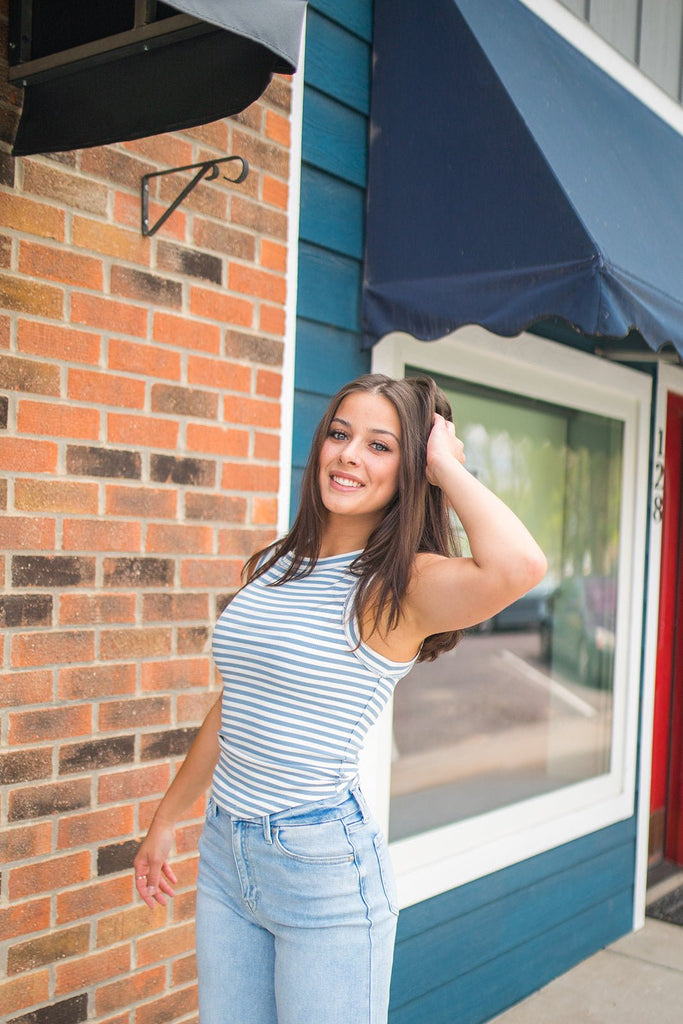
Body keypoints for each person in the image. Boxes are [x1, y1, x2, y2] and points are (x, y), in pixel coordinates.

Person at [133, 373, 547, 1024]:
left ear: (410, 470)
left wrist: (444, 466)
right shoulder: (271, 565)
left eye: (380, 446)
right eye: (339, 434)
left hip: (319, 870)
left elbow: (518, 567)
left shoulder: (400, 586)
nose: (349, 454)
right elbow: (236, 706)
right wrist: (166, 819)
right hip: (224, 853)